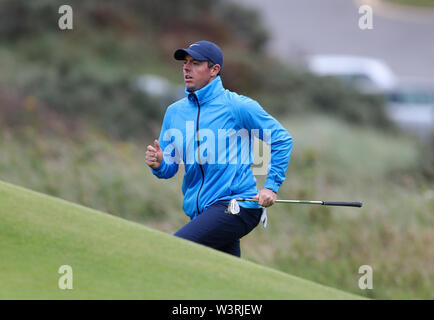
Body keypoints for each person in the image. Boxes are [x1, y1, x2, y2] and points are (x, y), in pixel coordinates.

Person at [145, 40, 292, 257]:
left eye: (195, 63)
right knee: (221, 281)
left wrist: (271, 186)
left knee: (174, 250)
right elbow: (170, 169)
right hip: (202, 213)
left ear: (214, 70)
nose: (186, 68)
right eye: (185, 63)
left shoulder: (237, 106)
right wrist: (160, 163)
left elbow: (282, 139)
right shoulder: (174, 112)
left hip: (237, 206)